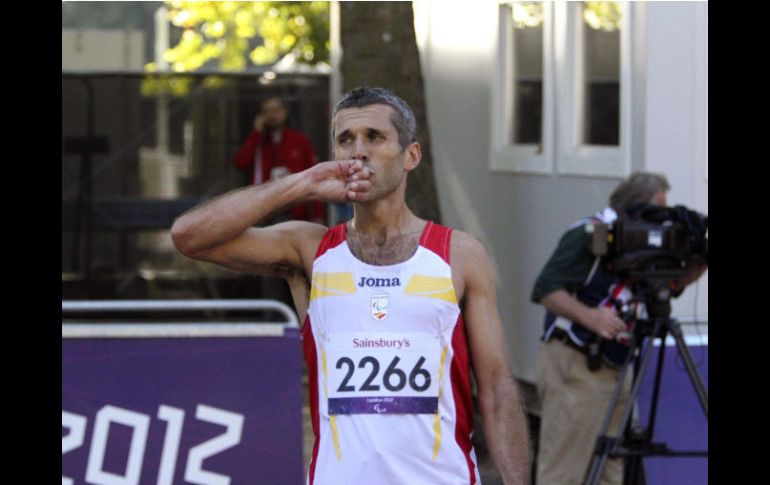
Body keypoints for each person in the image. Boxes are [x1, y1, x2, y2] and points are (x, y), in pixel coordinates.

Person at [172, 87, 531, 485]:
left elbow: (497, 386)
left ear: (410, 155)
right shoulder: (309, 249)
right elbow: (190, 237)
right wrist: (302, 185)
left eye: (374, 137)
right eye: (346, 140)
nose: (358, 151)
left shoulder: (460, 255)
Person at [530, 172, 707, 485]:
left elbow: (670, 285)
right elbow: (546, 289)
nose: (661, 220)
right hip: (578, 364)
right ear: (634, 206)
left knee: (611, 472)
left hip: (617, 368)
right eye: (657, 211)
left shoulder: (643, 250)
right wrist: (591, 317)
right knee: (564, 471)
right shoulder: (591, 232)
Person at [233, 96, 325, 224]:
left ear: (284, 112)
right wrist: (257, 133)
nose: (271, 115)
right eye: (266, 112)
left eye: (275, 110)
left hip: (295, 210)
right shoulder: (258, 141)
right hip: (264, 211)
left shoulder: (299, 140)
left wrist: (318, 215)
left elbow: (315, 176)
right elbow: (240, 163)